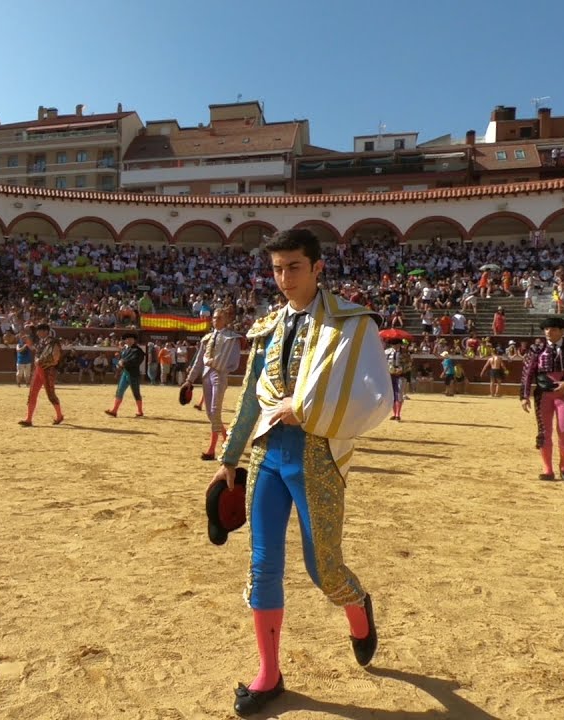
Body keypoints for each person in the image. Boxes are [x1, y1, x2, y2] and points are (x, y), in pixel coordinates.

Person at [212, 229, 391, 716]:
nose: (284, 277)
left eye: (293, 267)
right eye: (276, 268)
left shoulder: (350, 324)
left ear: (317, 268)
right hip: (269, 454)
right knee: (262, 563)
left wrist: (308, 408)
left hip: (317, 456)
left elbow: (374, 394)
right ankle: (269, 674)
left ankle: (359, 611)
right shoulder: (267, 327)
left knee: (324, 567)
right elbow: (252, 396)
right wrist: (229, 458)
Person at [182, 305, 243, 459]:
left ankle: (211, 450)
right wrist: (189, 380)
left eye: (219, 318)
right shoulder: (207, 338)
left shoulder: (232, 338)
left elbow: (234, 362)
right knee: (210, 413)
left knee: (215, 411)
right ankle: (227, 439)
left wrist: (219, 365)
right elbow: (198, 362)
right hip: (206, 376)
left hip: (219, 376)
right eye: (214, 317)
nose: (216, 320)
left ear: (227, 320)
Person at [520, 317, 564, 481]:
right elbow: (527, 373)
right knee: (544, 432)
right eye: (547, 329)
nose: (549, 332)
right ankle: (548, 469)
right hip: (543, 395)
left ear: (561, 331)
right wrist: (524, 395)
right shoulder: (536, 349)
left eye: (553, 329)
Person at [19, 323, 64, 427]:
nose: (37, 333)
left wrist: (45, 362)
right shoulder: (41, 341)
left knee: (50, 394)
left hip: (48, 371)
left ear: (45, 331)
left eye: (39, 331)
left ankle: (59, 416)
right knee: (32, 393)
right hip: (38, 370)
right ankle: (28, 419)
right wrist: (29, 344)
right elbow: (37, 351)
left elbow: (56, 357)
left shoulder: (53, 342)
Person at [104, 332, 146, 418]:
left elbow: (136, 361)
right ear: (125, 341)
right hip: (125, 373)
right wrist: (119, 365)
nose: (129, 341)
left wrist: (123, 362)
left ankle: (140, 411)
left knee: (136, 392)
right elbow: (121, 360)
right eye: (127, 339)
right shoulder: (125, 350)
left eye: (131, 339)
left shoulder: (138, 351)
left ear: (134, 340)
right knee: (120, 390)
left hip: (133, 374)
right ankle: (114, 410)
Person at [384, 338, 408, 420]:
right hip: (390, 375)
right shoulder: (386, 352)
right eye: (393, 344)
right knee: (392, 394)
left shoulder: (404, 353)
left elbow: (409, 364)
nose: (395, 346)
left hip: (401, 375)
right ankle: (395, 414)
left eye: (397, 344)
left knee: (399, 394)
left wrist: (402, 369)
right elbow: (383, 363)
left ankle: (398, 414)